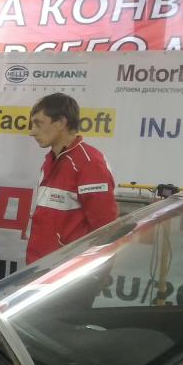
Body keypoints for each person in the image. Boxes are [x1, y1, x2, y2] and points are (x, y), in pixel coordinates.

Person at [25, 93, 117, 264]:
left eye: (38, 123)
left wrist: (94, 272)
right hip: (40, 265)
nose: (32, 132)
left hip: (69, 270)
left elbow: (105, 229)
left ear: (61, 122)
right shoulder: (50, 160)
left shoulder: (89, 163)